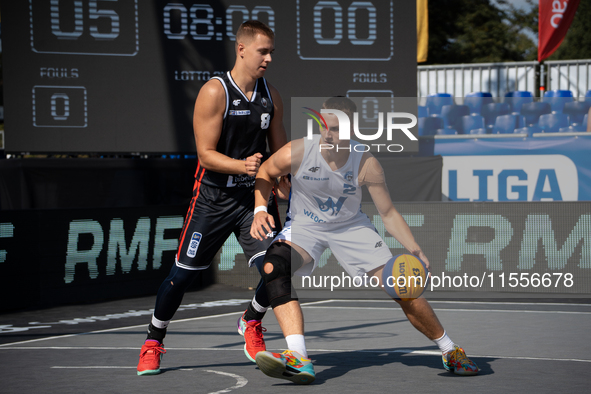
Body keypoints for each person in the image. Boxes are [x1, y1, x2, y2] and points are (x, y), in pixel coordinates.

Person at [249, 97, 479, 384]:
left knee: (402, 286)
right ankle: (299, 358)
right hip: (306, 226)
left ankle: (450, 350)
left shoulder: (367, 163)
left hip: (350, 227)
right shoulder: (297, 151)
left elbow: (388, 212)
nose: (328, 134)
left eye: (335, 128)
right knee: (274, 265)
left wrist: (415, 249)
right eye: (324, 127)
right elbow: (265, 172)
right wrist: (260, 210)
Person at [137, 20, 288, 376]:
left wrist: (284, 176)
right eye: (262, 51)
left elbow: (279, 148)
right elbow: (205, 155)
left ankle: (251, 320)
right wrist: (243, 165)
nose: (268, 58)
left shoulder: (271, 96)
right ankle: (153, 341)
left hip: (254, 199)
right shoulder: (215, 92)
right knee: (181, 278)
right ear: (242, 49)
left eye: (271, 52)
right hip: (213, 200)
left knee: (279, 267)